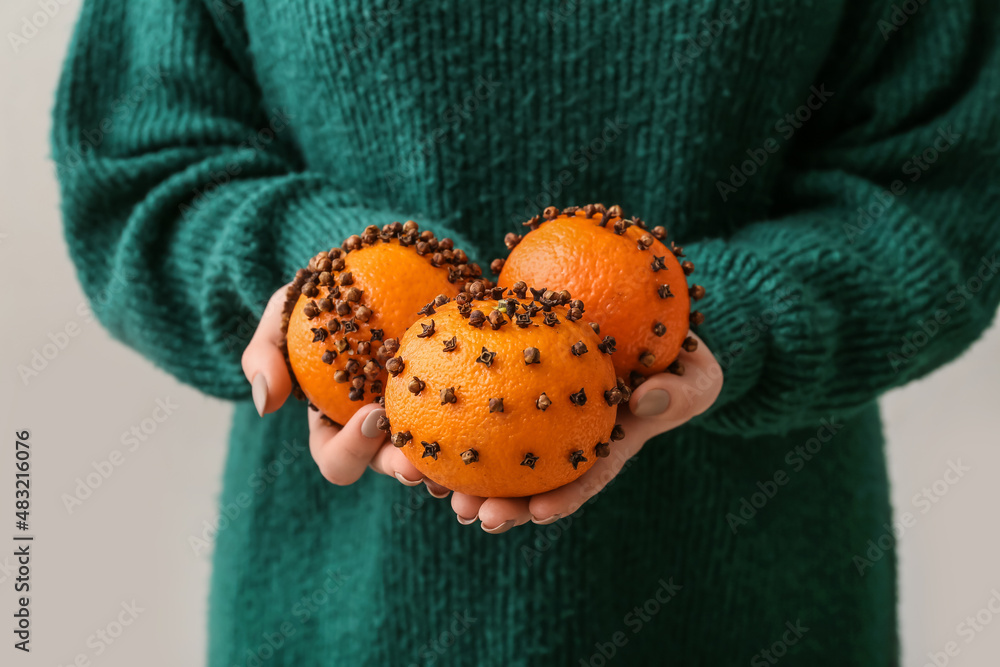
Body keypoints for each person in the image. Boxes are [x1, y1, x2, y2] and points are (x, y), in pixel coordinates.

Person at [53, 0, 1000, 664]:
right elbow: (140, 161)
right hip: (339, 623)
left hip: (751, 612)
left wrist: (704, 326)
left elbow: (947, 194)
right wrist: (330, 289)